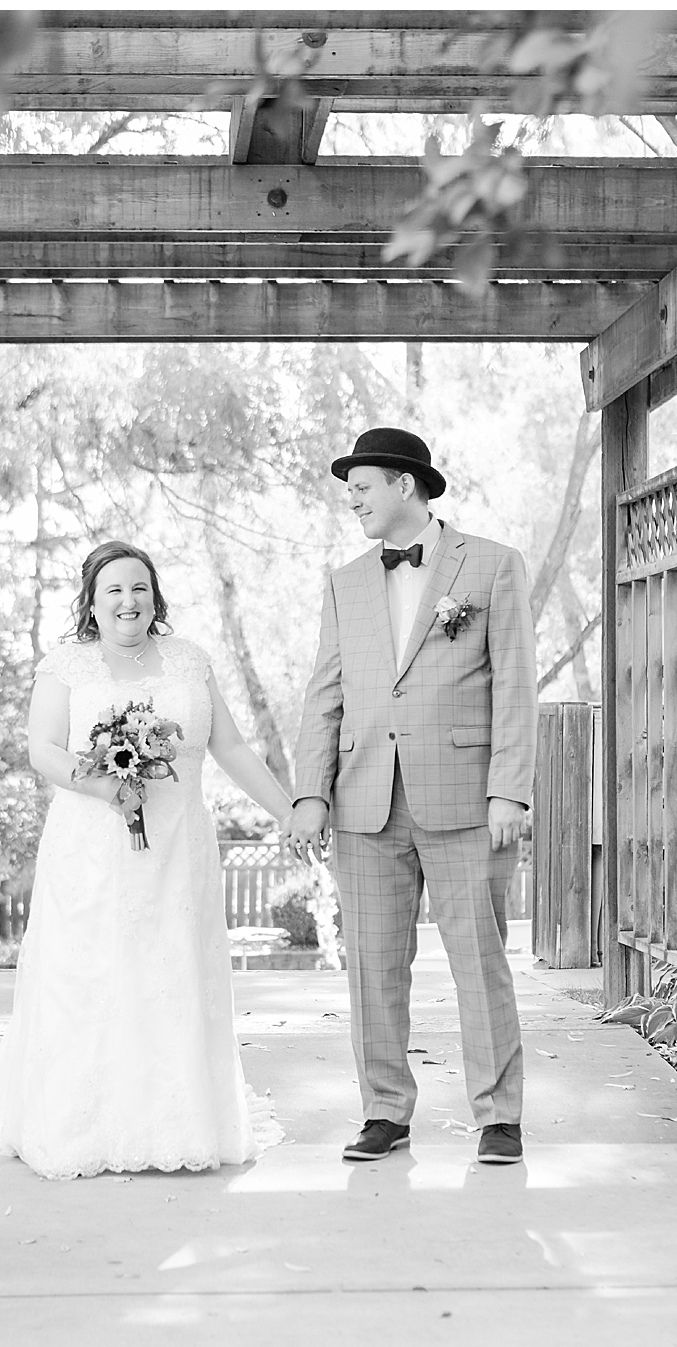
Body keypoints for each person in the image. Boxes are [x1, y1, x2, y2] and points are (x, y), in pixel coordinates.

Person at [0, 541, 295, 1178]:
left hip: (179, 847)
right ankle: (83, 1122)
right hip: (92, 850)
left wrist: (288, 810)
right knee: (91, 975)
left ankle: (180, 1121)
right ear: (93, 604)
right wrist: (104, 786)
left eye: (140, 589)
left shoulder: (191, 661)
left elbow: (229, 746)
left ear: (156, 597)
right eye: (114, 591)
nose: (129, 601)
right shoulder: (67, 666)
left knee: (174, 971)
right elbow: (42, 749)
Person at [286, 427, 534, 1167]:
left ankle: (500, 1117)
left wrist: (509, 793)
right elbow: (324, 693)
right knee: (371, 968)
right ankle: (384, 1112)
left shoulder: (491, 567)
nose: (352, 499)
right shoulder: (345, 582)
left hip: (466, 802)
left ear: (404, 484)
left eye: (361, 484)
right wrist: (310, 794)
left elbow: (516, 686)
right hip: (365, 802)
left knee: (479, 962)